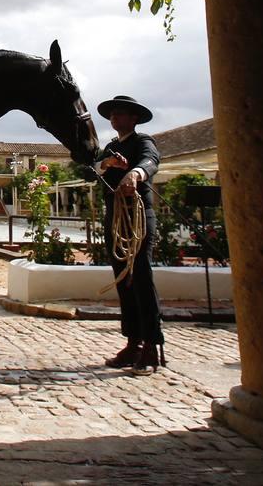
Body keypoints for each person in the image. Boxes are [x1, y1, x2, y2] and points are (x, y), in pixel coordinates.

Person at [96, 94, 164, 374]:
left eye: (120, 114)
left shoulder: (143, 141)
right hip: (115, 218)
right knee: (123, 279)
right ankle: (133, 342)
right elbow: (93, 170)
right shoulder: (110, 148)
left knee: (141, 277)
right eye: (112, 114)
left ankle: (151, 345)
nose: (114, 118)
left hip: (138, 217)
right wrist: (108, 165)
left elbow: (150, 161)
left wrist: (135, 173)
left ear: (133, 118)